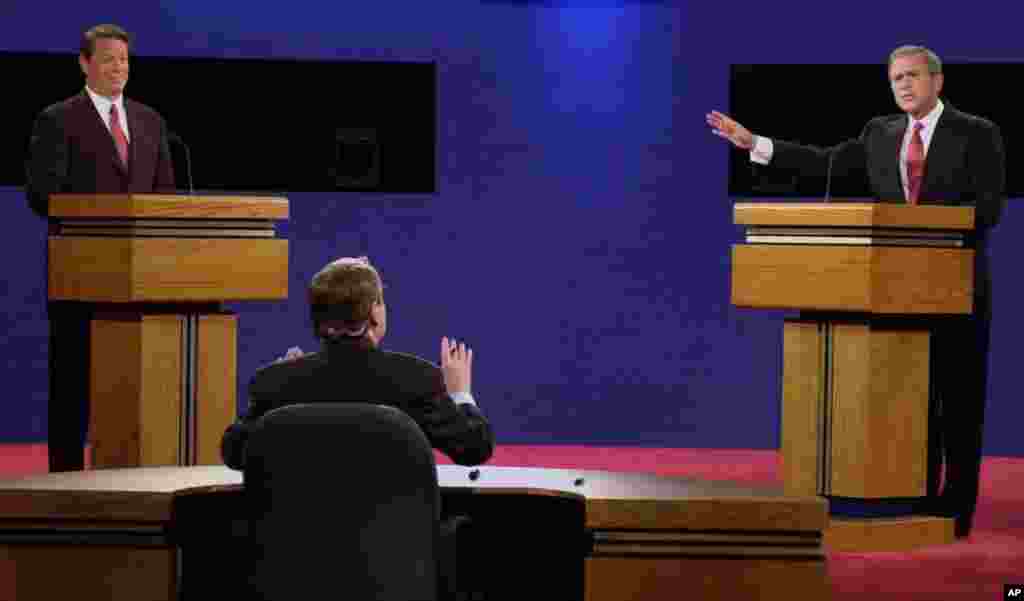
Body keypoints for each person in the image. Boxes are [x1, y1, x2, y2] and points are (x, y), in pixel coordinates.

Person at [707, 45, 1005, 538]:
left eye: (911, 76)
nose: (903, 86)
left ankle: (956, 508)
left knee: (959, 401)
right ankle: (915, 497)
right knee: (913, 398)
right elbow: (825, 162)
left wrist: (926, 233)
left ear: (937, 81)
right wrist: (756, 143)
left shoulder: (977, 133)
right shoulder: (878, 133)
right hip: (890, 291)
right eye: (895, 79)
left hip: (955, 288)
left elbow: (988, 209)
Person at [25, 24, 177, 472]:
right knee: (72, 384)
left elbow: (165, 196)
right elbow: (41, 194)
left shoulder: (150, 121)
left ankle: (131, 472)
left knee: (134, 385)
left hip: (143, 278)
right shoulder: (58, 119)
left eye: (125, 60)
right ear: (85, 63)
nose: (119, 68)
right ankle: (65, 479)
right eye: (109, 59)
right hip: (81, 272)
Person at [221, 256, 495, 469]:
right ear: (374, 310)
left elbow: (233, 452)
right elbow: (475, 448)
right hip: (394, 539)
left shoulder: (276, 383)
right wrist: (459, 393)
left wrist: (281, 383)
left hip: (298, 538)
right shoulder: (417, 380)